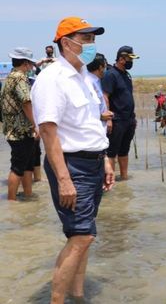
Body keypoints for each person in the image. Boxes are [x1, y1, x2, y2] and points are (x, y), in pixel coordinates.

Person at [31, 16, 115, 304]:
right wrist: (64, 179)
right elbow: (48, 131)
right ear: (67, 43)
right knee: (81, 236)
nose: (91, 45)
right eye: (86, 39)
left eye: (93, 39)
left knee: (84, 235)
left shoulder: (85, 78)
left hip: (92, 162)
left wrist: (104, 160)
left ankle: (78, 296)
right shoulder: (52, 79)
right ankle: (56, 301)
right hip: (71, 166)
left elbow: (89, 124)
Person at [0, 47, 38, 201]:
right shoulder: (20, 78)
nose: (31, 67)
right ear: (25, 63)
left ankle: (28, 195)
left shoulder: (9, 77)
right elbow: (26, 102)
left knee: (27, 164)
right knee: (17, 167)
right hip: (20, 130)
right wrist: (35, 124)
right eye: (30, 64)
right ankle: (12, 201)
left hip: (13, 129)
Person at [102, 46, 139, 180]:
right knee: (112, 152)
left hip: (128, 119)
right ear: (122, 59)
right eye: (130, 59)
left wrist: (133, 119)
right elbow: (105, 96)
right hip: (116, 120)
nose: (131, 62)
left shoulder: (126, 75)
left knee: (124, 150)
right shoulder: (110, 74)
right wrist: (109, 119)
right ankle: (109, 181)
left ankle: (124, 178)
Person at [87, 53, 114, 128]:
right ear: (100, 67)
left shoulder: (97, 80)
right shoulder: (89, 82)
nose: (105, 69)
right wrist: (100, 116)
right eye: (105, 66)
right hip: (94, 127)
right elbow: (86, 109)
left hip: (101, 126)